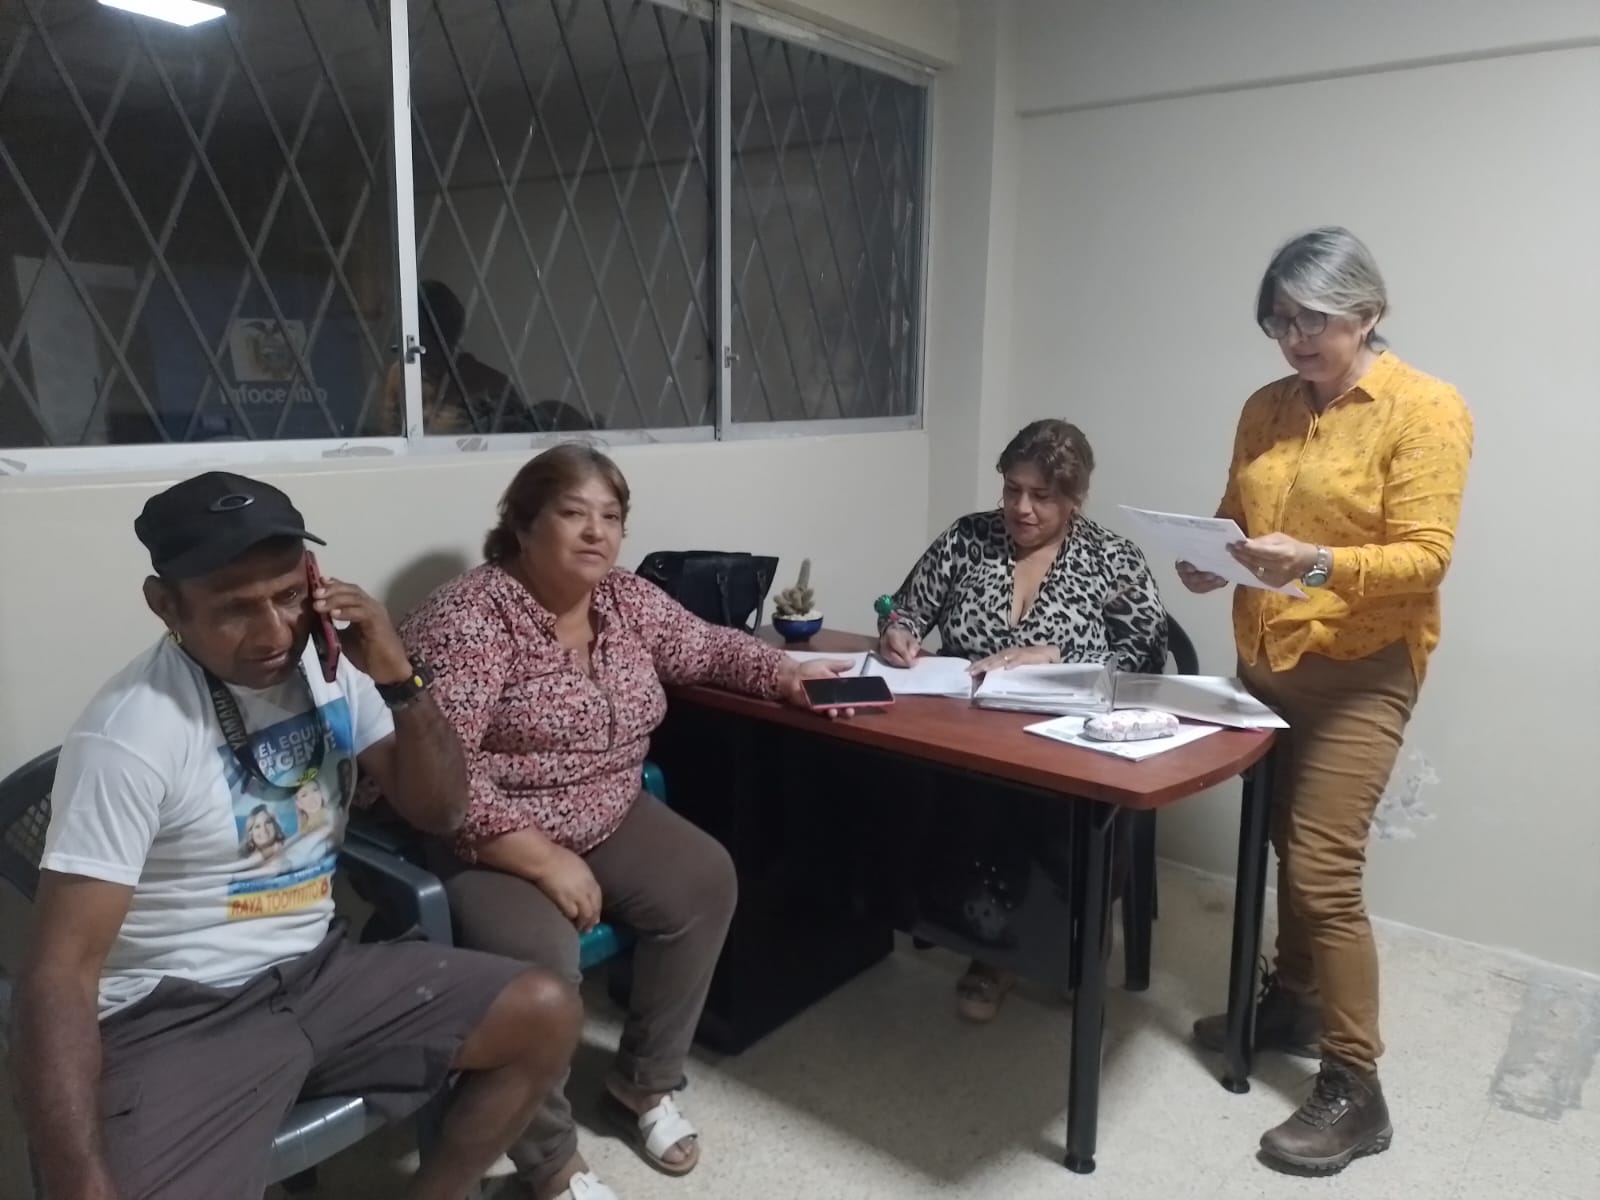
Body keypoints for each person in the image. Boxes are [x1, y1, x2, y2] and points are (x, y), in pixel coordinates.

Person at [14, 471, 583, 1200]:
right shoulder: (129, 736)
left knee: (544, 1013)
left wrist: (399, 677)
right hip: (182, 1015)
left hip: (320, 970)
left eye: (288, 596)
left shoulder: (330, 668)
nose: (274, 633)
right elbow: (59, 971)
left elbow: (439, 810)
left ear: (314, 579)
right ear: (166, 605)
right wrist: (76, 1177)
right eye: (233, 608)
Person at [399, 443, 852, 1200]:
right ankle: (548, 1157)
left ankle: (643, 1082)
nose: (595, 533)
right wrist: (540, 858)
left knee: (704, 880)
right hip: (488, 835)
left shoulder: (622, 599)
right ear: (522, 524)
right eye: (573, 513)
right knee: (543, 958)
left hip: (607, 808)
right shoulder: (470, 618)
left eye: (610, 517)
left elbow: (702, 646)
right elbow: (440, 776)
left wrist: (783, 673)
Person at [1184, 227, 1473, 1174]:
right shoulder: (1266, 406)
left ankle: (1356, 1088)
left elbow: (1424, 557)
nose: (1294, 338)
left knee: (1322, 869)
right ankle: (1297, 1001)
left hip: (1362, 666)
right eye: (1279, 320)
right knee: (1285, 842)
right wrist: (1210, 554)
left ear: (1368, 311)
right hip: (1266, 655)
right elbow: (1240, 513)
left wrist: (1312, 564)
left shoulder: (1424, 409)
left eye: (1313, 319)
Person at [877, 418, 1168, 1022]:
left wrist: (1060, 655)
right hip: (969, 728)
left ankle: (1070, 938)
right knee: (920, 790)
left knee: (1058, 810)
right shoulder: (968, 538)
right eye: (1012, 489)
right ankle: (985, 943)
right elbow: (907, 608)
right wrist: (899, 631)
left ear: (1075, 498)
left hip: (1068, 736)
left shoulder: (1112, 557)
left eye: (1042, 496)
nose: (1021, 508)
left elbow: (1146, 655)